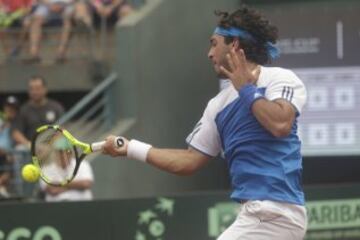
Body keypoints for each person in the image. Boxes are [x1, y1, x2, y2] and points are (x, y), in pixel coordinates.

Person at [103, 6, 308, 240]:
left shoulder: (280, 79)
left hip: (276, 214)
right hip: (255, 215)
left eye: (214, 43)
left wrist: (246, 89)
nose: (209, 54)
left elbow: (280, 124)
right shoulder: (217, 106)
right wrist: (131, 148)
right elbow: (189, 161)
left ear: (234, 46)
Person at [12, 75, 64, 146]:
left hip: (52, 147)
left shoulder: (56, 107)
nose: (34, 92)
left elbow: (62, 130)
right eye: (31, 89)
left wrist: (49, 146)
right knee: (19, 148)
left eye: (37, 88)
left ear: (45, 89)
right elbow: (16, 132)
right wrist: (29, 145)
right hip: (30, 147)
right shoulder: (23, 110)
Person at [39, 137, 94, 201]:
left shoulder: (83, 165)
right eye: (60, 151)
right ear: (55, 153)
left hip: (82, 206)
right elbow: (51, 190)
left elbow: (86, 184)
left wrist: (59, 185)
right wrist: (76, 185)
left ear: (71, 153)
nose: (63, 155)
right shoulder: (46, 169)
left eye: (67, 151)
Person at [0, 96, 20, 197]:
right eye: (8, 108)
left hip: (9, 156)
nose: (10, 111)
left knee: (11, 160)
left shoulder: (18, 124)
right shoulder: (1, 121)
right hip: (2, 155)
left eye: (13, 109)